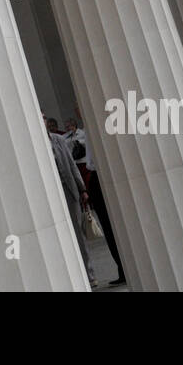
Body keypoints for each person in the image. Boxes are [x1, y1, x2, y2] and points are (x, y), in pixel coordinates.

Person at [71, 106, 126, 286]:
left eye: (79, 106)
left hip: (102, 176)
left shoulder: (96, 127)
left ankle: (124, 267)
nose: (78, 110)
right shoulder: (89, 129)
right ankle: (122, 266)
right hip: (96, 178)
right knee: (110, 228)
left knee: (114, 226)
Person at [44, 114, 96, 287]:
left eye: (44, 117)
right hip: (49, 194)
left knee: (78, 234)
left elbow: (72, 164)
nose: (44, 121)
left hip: (69, 190)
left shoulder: (59, 140)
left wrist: (82, 189)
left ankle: (89, 274)